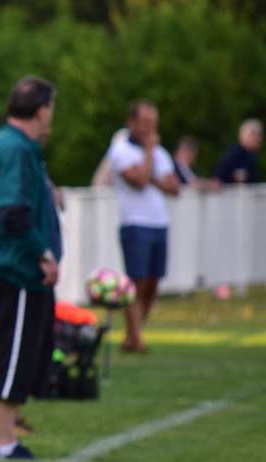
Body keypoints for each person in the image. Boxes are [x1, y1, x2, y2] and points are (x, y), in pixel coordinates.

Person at [0, 75, 58, 461]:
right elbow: (13, 213)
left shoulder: (16, 145)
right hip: (19, 266)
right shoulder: (16, 148)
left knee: (29, 351)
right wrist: (43, 253)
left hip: (18, 265)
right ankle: (3, 440)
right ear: (41, 111)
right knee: (15, 353)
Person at [109, 100, 180, 353]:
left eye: (153, 123)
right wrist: (149, 155)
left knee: (152, 283)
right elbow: (138, 181)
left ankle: (133, 335)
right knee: (136, 282)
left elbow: (174, 187)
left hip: (159, 222)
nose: (150, 128)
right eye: (145, 122)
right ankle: (136, 338)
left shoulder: (161, 153)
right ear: (132, 123)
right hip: (134, 223)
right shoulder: (120, 150)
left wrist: (150, 172)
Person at [213, 118, 262, 185]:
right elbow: (219, 177)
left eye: (258, 136)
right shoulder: (235, 153)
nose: (256, 139)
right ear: (242, 135)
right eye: (253, 135)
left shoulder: (251, 154)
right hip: (229, 193)